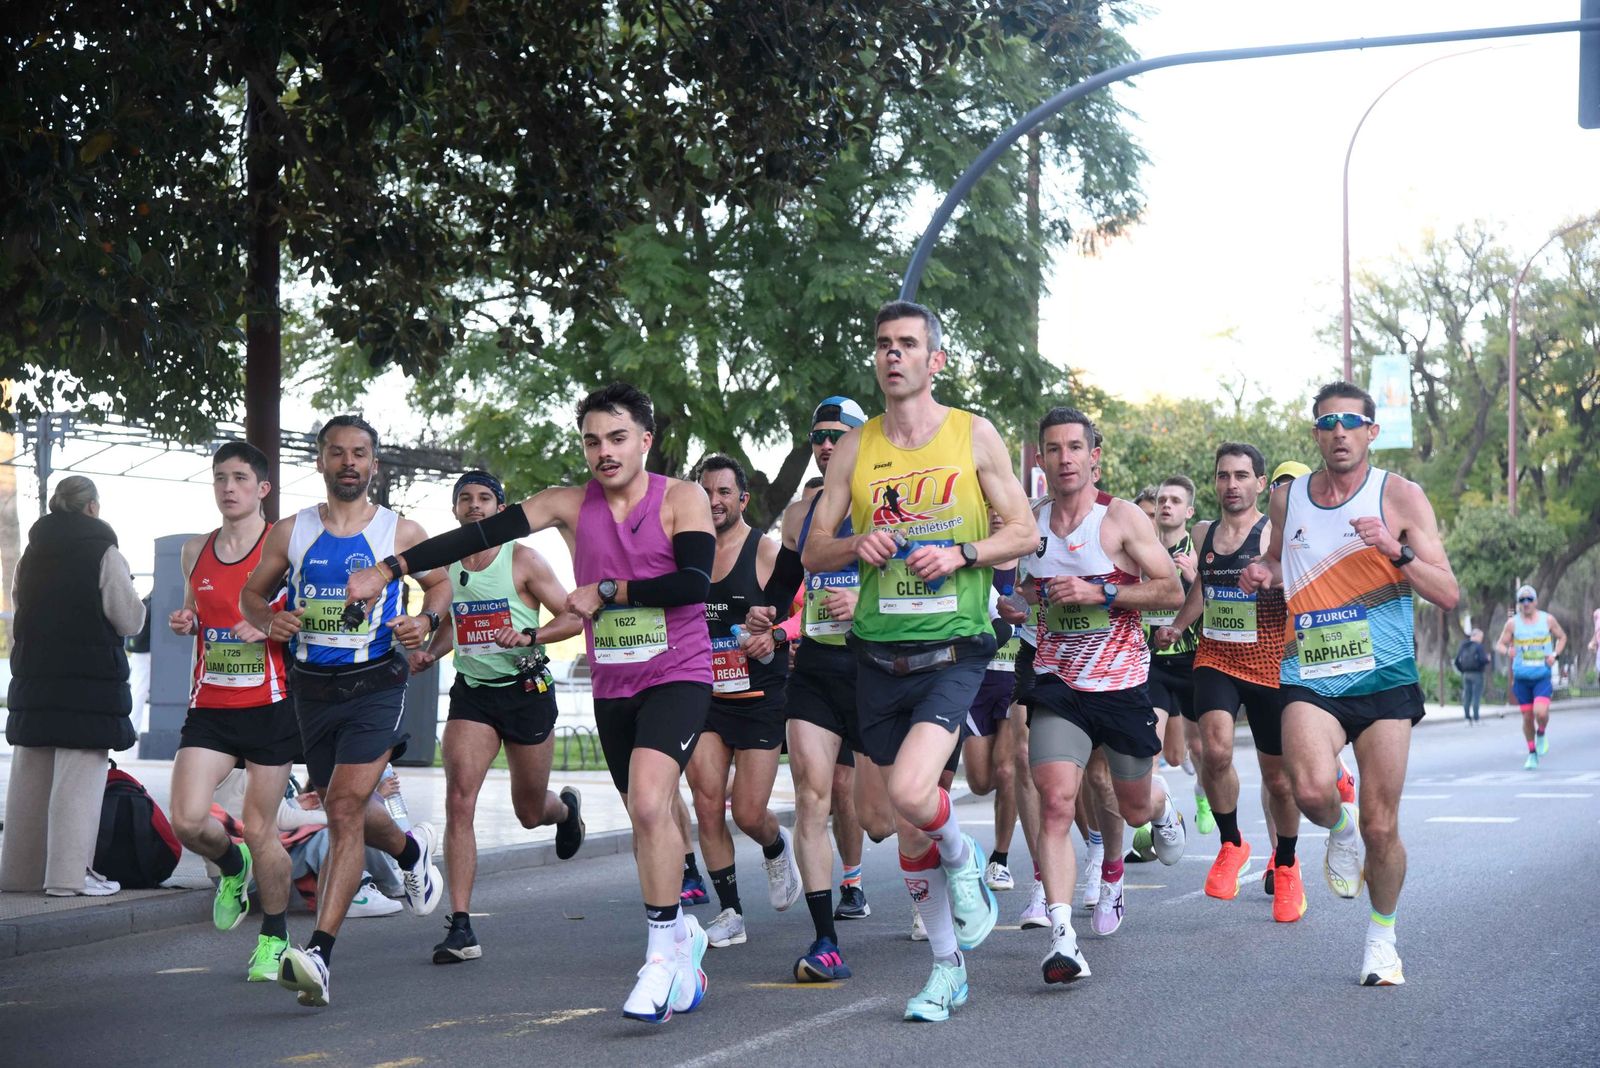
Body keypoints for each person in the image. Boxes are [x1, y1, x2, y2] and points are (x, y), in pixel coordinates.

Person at [345, 383, 713, 1024]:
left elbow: (693, 583)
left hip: (678, 671)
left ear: (645, 440)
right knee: (644, 816)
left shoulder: (682, 497)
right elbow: (472, 538)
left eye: (618, 438)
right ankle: (682, 936)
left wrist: (611, 590)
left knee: (653, 801)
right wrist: (391, 566)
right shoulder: (566, 504)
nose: (604, 451)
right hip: (614, 681)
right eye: (593, 440)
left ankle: (660, 957)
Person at [801, 301, 1037, 1021]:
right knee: (894, 822)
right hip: (877, 652)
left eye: (908, 344)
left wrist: (964, 551)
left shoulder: (973, 435)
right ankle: (946, 969)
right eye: (882, 345)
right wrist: (855, 545)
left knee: (911, 793)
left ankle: (967, 864)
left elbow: (1024, 530)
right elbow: (812, 551)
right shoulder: (855, 447)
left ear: (936, 360)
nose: (893, 355)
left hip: (955, 647)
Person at [1241, 380, 1459, 987]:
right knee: (1309, 789)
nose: (1339, 431)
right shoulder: (1287, 500)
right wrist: (1265, 571)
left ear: (1371, 431)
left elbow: (1447, 592)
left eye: (1351, 422)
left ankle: (1382, 940)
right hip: (1309, 670)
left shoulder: (1401, 495)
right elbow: (1283, 562)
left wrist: (1396, 550)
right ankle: (1337, 831)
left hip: (1385, 675)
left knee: (1382, 825)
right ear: (1316, 432)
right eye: (1328, 422)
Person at [240, 415, 450, 1008]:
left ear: (374, 465)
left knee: (344, 810)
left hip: (377, 684)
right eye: (338, 453)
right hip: (313, 687)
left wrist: (425, 622)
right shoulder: (292, 531)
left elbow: (440, 587)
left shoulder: (400, 532)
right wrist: (267, 619)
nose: (349, 462)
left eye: (360, 453)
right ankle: (411, 851)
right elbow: (252, 594)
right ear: (322, 462)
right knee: (345, 803)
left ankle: (320, 954)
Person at [1022, 407, 1187, 983]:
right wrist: (1016, 605)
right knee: (1057, 801)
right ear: (1041, 459)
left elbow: (1168, 589)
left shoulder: (1117, 520)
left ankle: (1163, 806)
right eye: (1053, 448)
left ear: (1094, 456)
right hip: (1057, 684)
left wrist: (1100, 593)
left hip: (1120, 685)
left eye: (1075, 448)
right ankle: (1062, 935)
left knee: (1133, 805)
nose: (1064, 458)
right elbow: (1024, 589)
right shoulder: (1031, 522)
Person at [408, 470, 587, 964]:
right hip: (474, 695)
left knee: (529, 813)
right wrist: (429, 652)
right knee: (459, 799)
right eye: (465, 499)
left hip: (527, 691)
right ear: (455, 511)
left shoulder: (523, 558)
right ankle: (462, 926)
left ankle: (565, 812)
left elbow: (572, 615)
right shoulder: (447, 566)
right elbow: (456, 626)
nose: (474, 506)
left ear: (501, 509)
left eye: (485, 498)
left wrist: (530, 637)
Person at [165, 442, 300, 981]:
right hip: (212, 706)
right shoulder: (194, 549)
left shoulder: (285, 545)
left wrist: (270, 622)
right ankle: (230, 864)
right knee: (187, 820)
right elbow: (199, 610)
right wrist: (188, 623)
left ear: (262, 488)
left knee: (263, 829)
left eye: (241, 478)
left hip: (270, 706)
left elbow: (315, 613)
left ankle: (273, 938)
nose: (228, 487)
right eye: (220, 477)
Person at [1156, 442, 1304, 923]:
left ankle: (1285, 863)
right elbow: (1204, 586)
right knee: (1214, 753)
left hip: (1267, 664)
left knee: (1279, 781)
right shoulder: (1203, 532)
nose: (1232, 485)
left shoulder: (1271, 534)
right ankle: (1232, 842)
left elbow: (1298, 577)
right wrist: (1179, 625)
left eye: (1242, 476)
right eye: (1223, 476)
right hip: (1216, 656)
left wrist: (1271, 578)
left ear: (1261, 484)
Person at [764, 396, 885, 980]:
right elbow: (787, 580)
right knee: (812, 795)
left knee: (883, 818)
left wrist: (865, 600)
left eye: (840, 434)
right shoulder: (800, 513)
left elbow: (919, 579)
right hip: (814, 668)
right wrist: (762, 616)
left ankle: (948, 869)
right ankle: (825, 939)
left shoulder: (887, 502)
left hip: (876, 668)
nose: (828, 445)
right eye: (819, 436)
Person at [2, 476, 145, 898]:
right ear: (92, 508)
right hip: (87, 689)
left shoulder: (31, 554)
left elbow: (19, 602)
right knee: (77, 782)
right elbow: (128, 618)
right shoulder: (104, 552)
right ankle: (68, 877)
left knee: (30, 778)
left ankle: (19, 874)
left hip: (36, 683)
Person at [684, 454, 805, 953]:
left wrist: (775, 636)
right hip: (704, 697)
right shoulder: (685, 554)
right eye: (705, 492)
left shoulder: (766, 551)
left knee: (750, 813)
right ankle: (730, 912)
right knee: (708, 805)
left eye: (723, 493)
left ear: (742, 499)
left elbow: (807, 611)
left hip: (759, 697)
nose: (713, 501)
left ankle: (776, 849)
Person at [1142, 476, 1203, 828]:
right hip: (1151, 662)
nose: (1166, 505)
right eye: (1162, 499)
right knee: (1150, 747)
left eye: (1175, 501)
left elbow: (1220, 608)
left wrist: (1196, 578)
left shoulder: (1197, 553)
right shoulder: (1143, 553)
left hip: (1191, 660)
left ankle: (1203, 792)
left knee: (1195, 751)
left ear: (1188, 511)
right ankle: (1154, 823)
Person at [1496, 586, 1567, 768]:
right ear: (1519, 604)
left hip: (1541, 676)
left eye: (1529, 599)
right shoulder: (1513, 623)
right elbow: (1500, 645)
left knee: (1540, 712)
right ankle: (1532, 753)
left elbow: (1562, 637)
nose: (1526, 603)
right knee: (1527, 718)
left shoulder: (1547, 620)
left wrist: (1554, 655)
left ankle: (1541, 732)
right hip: (1521, 678)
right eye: (1522, 600)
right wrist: (1508, 651)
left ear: (1535, 601)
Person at [1453, 628, 1491, 725]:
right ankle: (1476, 718)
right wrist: (1488, 659)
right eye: (1481, 637)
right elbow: (1483, 660)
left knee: (1467, 696)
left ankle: (1467, 718)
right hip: (1477, 674)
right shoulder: (1478, 647)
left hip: (1466, 674)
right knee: (1476, 696)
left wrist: (1463, 671)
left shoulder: (1463, 646)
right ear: (1476, 636)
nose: (1481, 639)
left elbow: (1457, 661)